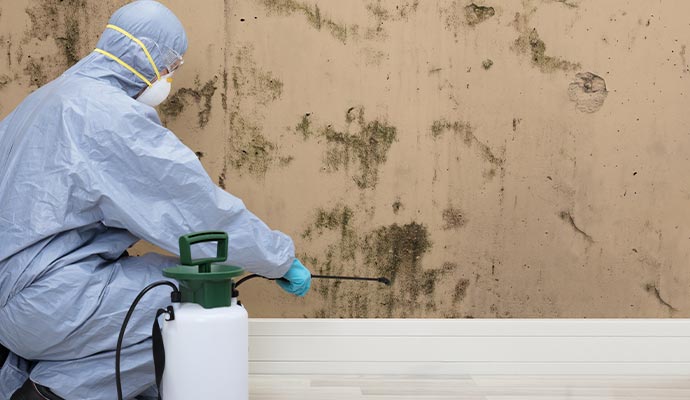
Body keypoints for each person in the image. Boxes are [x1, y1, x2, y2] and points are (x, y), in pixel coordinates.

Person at [0, 1, 311, 398]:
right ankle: (49, 393)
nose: (169, 77)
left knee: (150, 282)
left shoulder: (50, 97)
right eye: (171, 66)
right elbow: (195, 213)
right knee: (191, 301)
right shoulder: (110, 116)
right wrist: (277, 259)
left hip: (18, 300)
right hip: (47, 302)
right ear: (147, 57)